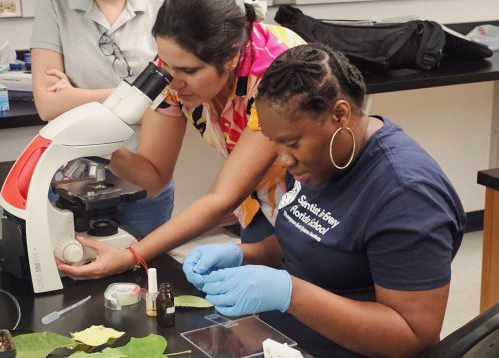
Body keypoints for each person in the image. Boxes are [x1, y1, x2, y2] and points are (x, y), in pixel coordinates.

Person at [182, 43, 466, 357]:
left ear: (340, 114)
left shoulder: (406, 196)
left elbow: (414, 337)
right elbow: (313, 241)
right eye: (274, 143)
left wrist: (290, 294)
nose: (283, 160)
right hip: (282, 340)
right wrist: (243, 255)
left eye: (291, 143)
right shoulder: (319, 158)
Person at [56, 0, 306, 278]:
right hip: (258, 202)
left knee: (304, 297)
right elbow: (153, 177)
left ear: (231, 57)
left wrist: (130, 256)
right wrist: (106, 148)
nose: (173, 83)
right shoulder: (172, 70)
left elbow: (222, 196)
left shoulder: (276, 69)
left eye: (189, 71)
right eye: (167, 65)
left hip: (313, 201)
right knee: (263, 303)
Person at [30, 0, 174, 237]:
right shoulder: (55, 5)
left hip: (143, 175)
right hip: (74, 179)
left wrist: (74, 98)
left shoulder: (161, 5)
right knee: (73, 264)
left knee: (145, 265)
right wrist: (139, 101)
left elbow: (170, 98)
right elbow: (48, 106)